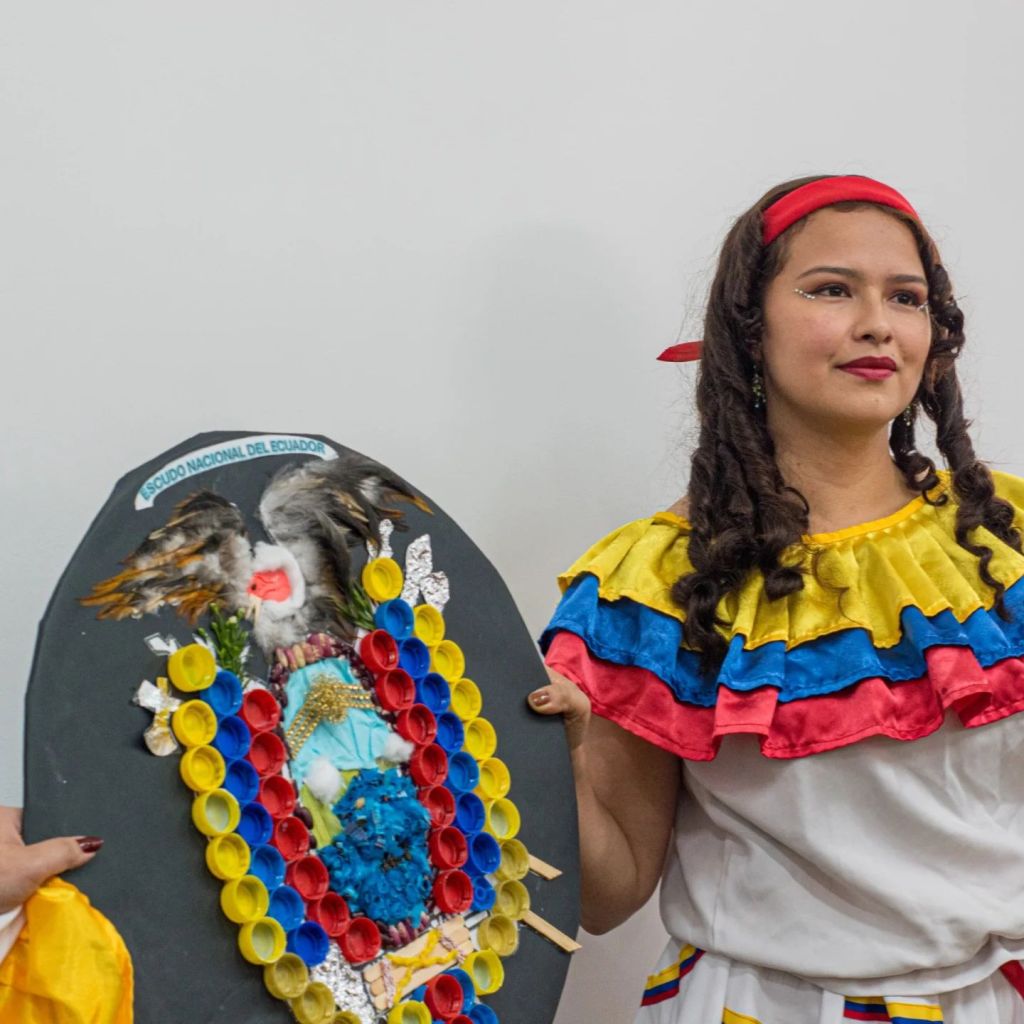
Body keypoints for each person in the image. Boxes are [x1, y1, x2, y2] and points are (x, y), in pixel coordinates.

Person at [530, 175, 1024, 1021]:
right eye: (832, 289)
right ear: (749, 330)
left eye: (905, 297)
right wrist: (558, 761)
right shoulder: (650, 584)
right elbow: (604, 899)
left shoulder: (1003, 538)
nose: (876, 322)